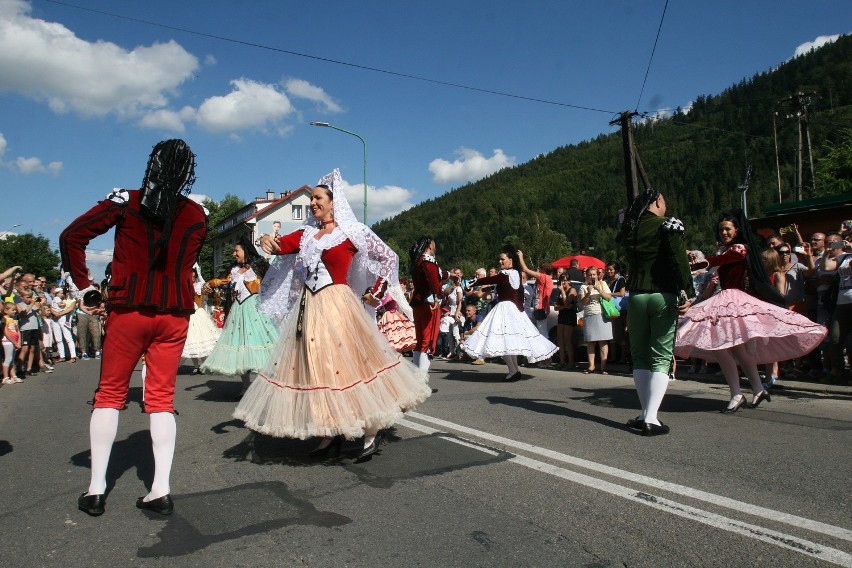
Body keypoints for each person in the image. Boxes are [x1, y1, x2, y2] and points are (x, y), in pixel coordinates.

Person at [238, 169, 431, 460]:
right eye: (312, 199)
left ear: (332, 202)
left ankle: (370, 431)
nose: (313, 203)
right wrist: (266, 239)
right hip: (310, 307)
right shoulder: (306, 236)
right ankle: (330, 431)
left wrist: (376, 292)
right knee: (317, 366)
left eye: (318, 198)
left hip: (339, 305)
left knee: (352, 365)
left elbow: (389, 257)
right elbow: (280, 246)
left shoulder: (352, 233)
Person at [60, 139, 207, 517]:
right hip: (175, 313)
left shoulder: (126, 200)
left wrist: (85, 286)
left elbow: (71, 236)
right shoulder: (197, 213)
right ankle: (160, 490)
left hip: (130, 310)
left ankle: (96, 489)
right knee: (160, 398)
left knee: (110, 394)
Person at [675, 211, 827, 412]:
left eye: (728, 228)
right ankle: (757, 389)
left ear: (737, 230)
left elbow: (717, 262)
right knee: (737, 349)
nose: (724, 232)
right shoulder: (730, 249)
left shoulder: (739, 248)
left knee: (721, 347)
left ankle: (737, 394)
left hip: (733, 300)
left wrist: (693, 261)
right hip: (727, 300)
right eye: (721, 229)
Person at [619, 188, 695, 435]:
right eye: (664, 201)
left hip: (636, 296)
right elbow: (678, 260)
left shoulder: (631, 227)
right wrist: (688, 291)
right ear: (658, 201)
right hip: (662, 293)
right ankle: (651, 418)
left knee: (640, 355)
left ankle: (644, 413)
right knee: (661, 356)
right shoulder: (669, 225)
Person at [461, 245, 557, 381]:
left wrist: (473, 282)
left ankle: (513, 370)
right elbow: (517, 294)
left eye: (502, 259)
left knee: (503, 341)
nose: (500, 262)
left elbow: (489, 280)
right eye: (500, 260)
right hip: (514, 310)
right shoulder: (516, 273)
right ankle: (514, 370)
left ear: (510, 260)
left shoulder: (505, 274)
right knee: (508, 342)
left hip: (505, 309)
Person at [200, 236, 279, 392]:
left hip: (256, 310)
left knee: (259, 344)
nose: (234, 254)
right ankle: (245, 385)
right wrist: (209, 284)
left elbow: (276, 278)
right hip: (238, 311)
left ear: (245, 251)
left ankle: (266, 384)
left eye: (236, 251)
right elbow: (221, 281)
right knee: (240, 346)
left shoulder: (259, 266)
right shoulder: (233, 270)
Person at [409, 236, 448, 372]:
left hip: (418, 302)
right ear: (430, 245)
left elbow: (438, 274)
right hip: (429, 302)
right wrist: (438, 298)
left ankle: (416, 376)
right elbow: (433, 279)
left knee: (420, 341)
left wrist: (450, 275)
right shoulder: (428, 262)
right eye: (434, 243)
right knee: (428, 341)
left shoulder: (418, 261)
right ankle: (421, 379)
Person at [181, 263, 222, 375]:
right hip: (188, 314)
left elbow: (214, 294)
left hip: (198, 313)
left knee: (201, 338)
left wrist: (216, 307)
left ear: (194, 273)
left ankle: (204, 364)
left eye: (191, 273)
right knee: (191, 340)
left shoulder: (200, 286)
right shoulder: (184, 285)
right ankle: (196, 366)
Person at [579, 267, 613, 374]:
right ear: (587, 275)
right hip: (589, 315)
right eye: (590, 275)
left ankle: (603, 367)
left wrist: (599, 289)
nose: (592, 277)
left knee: (603, 342)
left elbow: (608, 297)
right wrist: (588, 293)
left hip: (602, 314)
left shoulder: (603, 284)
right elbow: (583, 302)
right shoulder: (583, 286)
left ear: (597, 275)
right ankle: (591, 366)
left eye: (594, 274)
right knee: (590, 342)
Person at [376, 286, 417, 354]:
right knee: (394, 331)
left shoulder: (390, 293)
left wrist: (375, 305)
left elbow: (384, 302)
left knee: (392, 331)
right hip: (393, 313)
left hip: (390, 314)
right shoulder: (393, 292)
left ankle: (393, 349)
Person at [553, 275, 578, 369]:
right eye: (562, 280)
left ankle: (571, 362)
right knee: (560, 339)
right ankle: (562, 361)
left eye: (565, 280)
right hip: (562, 315)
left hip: (569, 316)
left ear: (569, 281)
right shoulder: (559, 292)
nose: (563, 282)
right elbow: (556, 307)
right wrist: (563, 307)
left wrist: (563, 291)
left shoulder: (572, 290)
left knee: (567, 340)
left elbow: (567, 301)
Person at [2, 302, 22, 384]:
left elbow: (18, 331)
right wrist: (14, 342)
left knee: (12, 360)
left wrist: (19, 342)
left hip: (15, 342)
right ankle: (5, 377)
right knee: (8, 359)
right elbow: (6, 332)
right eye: (12, 310)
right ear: (6, 310)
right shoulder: (4, 319)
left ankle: (13, 376)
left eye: (15, 310)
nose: (14, 312)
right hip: (7, 341)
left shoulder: (14, 320)